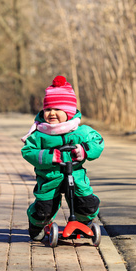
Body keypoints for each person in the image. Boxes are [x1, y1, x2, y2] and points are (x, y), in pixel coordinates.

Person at [21, 75, 105, 241]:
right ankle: (36, 223)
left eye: (57, 109)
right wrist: (49, 156)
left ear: (69, 112)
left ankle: (84, 221)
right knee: (44, 209)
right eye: (48, 109)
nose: (52, 113)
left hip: (76, 176)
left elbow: (98, 142)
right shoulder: (40, 134)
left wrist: (84, 150)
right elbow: (28, 151)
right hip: (49, 178)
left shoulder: (80, 131)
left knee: (86, 203)